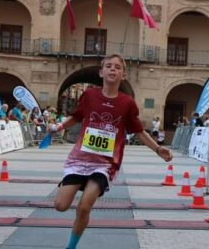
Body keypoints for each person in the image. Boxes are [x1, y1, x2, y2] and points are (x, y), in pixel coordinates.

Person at [50, 54, 173, 249]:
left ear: (123, 75)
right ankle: (71, 183)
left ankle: (70, 247)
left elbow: (138, 131)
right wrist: (58, 127)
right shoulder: (89, 96)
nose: (113, 69)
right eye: (108, 66)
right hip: (80, 159)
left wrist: (158, 149)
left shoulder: (127, 103)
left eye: (117, 67)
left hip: (105, 164)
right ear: (101, 72)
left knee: (84, 207)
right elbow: (76, 117)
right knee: (60, 206)